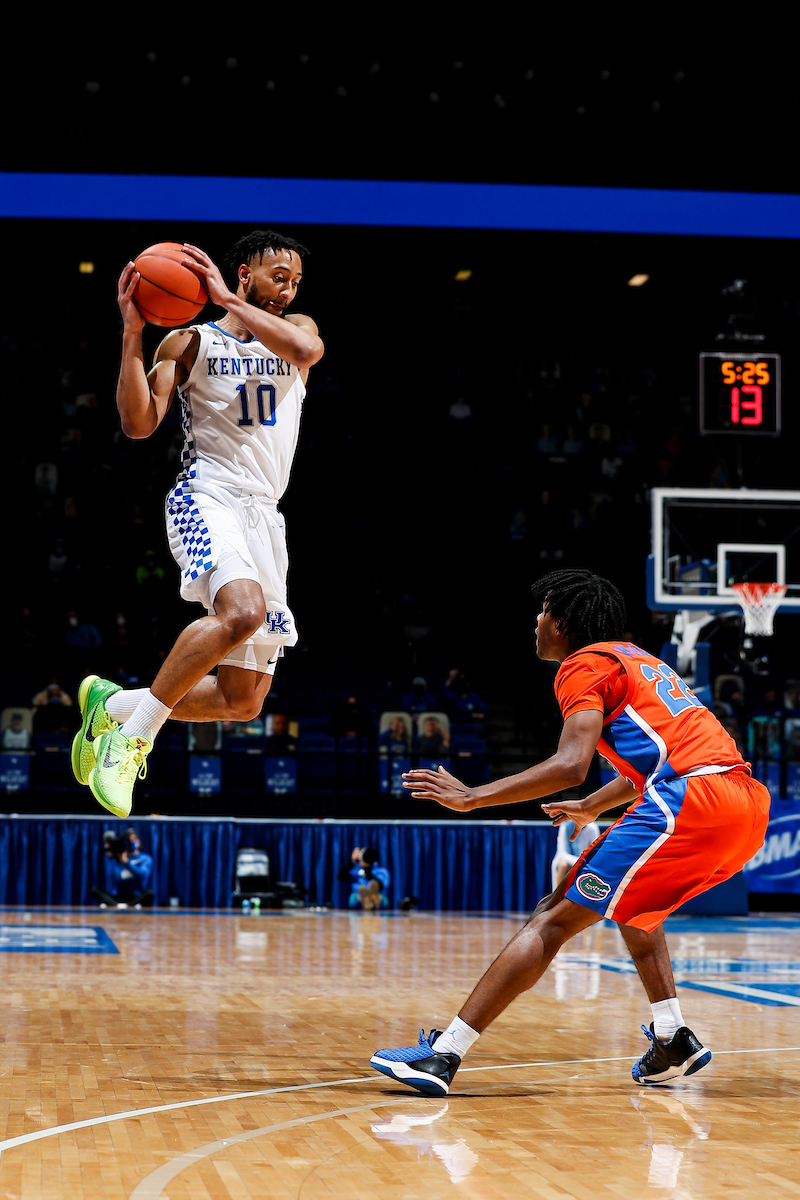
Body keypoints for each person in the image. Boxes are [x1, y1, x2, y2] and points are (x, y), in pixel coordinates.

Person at [370, 569, 770, 1095]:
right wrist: (590, 806)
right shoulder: (639, 661)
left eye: (542, 613)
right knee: (635, 906)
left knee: (552, 917)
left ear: (561, 622)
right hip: (744, 803)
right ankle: (673, 1037)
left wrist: (473, 797)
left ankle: (443, 1054)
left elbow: (569, 764)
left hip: (693, 800)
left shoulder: (583, 665)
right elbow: (648, 766)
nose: (535, 622)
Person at [71, 230, 324, 817]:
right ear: (242, 274)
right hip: (209, 494)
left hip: (267, 515)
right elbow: (138, 423)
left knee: (242, 701)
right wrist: (134, 335)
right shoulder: (187, 343)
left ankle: (113, 708)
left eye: (294, 280)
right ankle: (133, 741)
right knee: (240, 613)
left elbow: (308, 353)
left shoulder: (299, 333)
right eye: (276, 276)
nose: (287, 289)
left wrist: (228, 302)